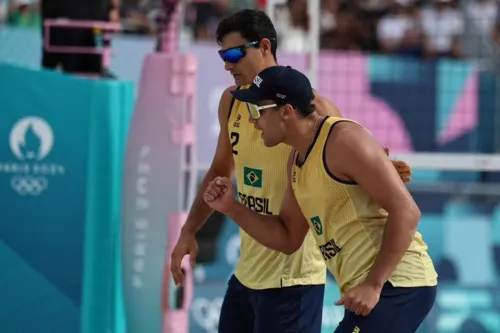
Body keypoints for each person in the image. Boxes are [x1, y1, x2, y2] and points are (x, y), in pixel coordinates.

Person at [170, 9, 412, 333]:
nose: (227, 64)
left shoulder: (313, 110)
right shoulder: (231, 102)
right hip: (246, 276)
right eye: (221, 55)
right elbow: (219, 169)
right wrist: (189, 231)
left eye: (233, 53)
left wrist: (381, 173)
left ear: (265, 47)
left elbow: (354, 170)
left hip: (294, 281)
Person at [204, 65, 438, 333]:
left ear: (287, 112)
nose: (251, 120)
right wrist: (231, 207)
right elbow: (287, 238)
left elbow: (408, 213)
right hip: (372, 287)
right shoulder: (296, 159)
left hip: (398, 283)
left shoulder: (343, 140)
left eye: (258, 111)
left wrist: (374, 284)